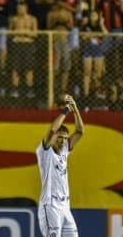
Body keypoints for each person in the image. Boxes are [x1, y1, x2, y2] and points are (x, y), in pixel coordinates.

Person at [37, 94, 84, 237]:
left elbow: (80, 131)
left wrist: (75, 109)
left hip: (65, 206)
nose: (63, 141)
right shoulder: (45, 152)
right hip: (50, 205)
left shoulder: (64, 151)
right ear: (54, 139)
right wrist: (65, 111)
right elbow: (52, 130)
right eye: (60, 138)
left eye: (65, 138)